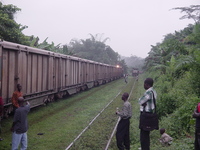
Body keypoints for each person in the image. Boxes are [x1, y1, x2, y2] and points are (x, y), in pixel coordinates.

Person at [138, 78, 157, 150]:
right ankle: (145, 147)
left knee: (143, 134)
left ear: (147, 84)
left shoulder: (148, 92)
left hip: (146, 115)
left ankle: (144, 148)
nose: (144, 85)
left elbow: (140, 101)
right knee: (146, 133)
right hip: (150, 114)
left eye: (144, 84)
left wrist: (142, 101)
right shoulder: (153, 91)